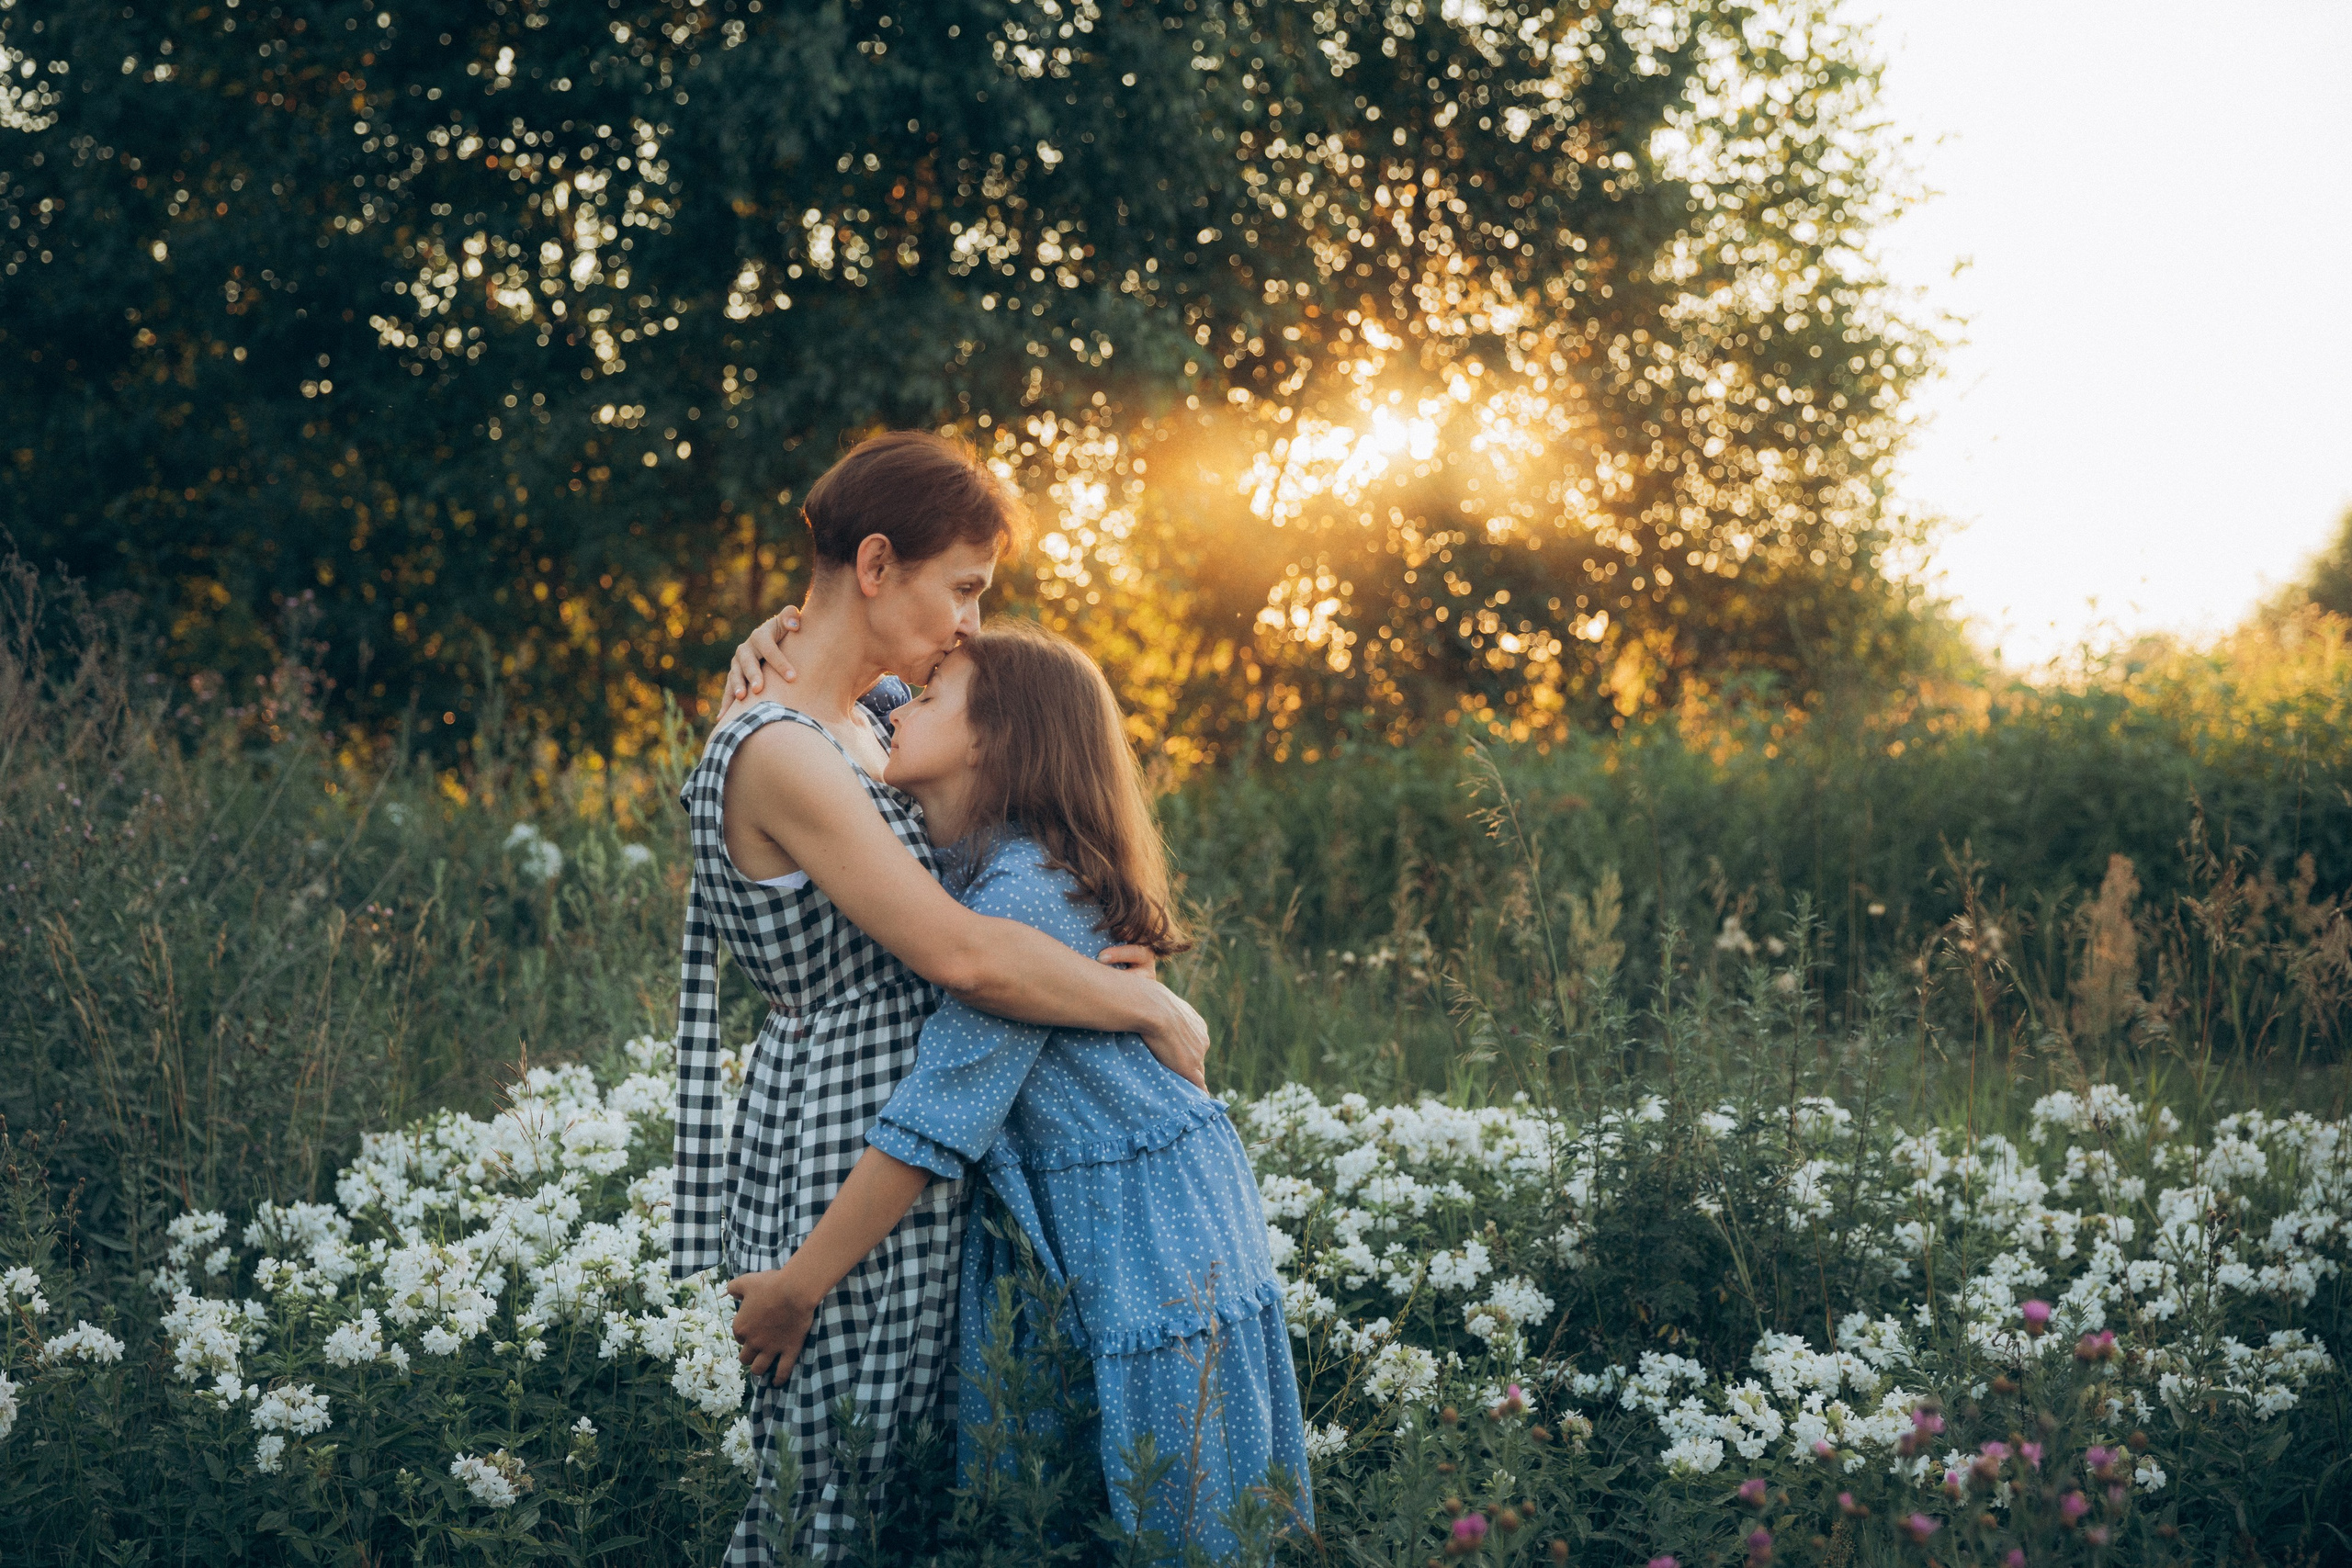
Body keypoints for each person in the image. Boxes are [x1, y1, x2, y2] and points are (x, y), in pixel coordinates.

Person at [677, 430, 1210, 1563]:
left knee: (900, 1491)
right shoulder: (782, 750)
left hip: (917, 1135)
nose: (971, 622)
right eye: (962, 588)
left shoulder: (859, 724)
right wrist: (1150, 1011)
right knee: (827, 1492)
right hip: (847, 1141)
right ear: (876, 565)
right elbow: (963, 957)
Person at [727, 620, 1312, 1560]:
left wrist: (802, 1286)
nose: (897, 705)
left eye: (928, 695)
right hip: (1079, 1215)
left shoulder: (1021, 891)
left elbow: (932, 1123)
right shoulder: (960, 836)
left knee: (1174, 1510)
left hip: (1145, 1233)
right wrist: (773, 644)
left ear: (994, 740)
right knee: (1057, 1495)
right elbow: (858, 686)